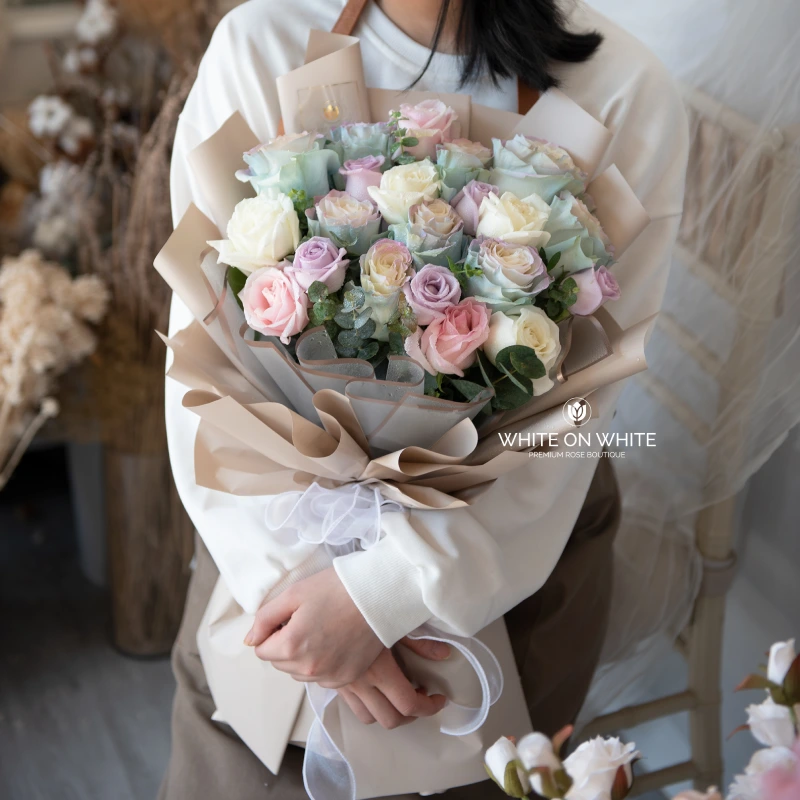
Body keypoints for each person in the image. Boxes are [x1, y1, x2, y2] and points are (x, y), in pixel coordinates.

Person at [161, 0, 689, 797]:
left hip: (514, 537)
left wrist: (383, 594)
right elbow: (201, 365)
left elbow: (584, 410)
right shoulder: (260, 41)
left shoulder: (622, 89)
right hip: (271, 531)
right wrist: (293, 596)